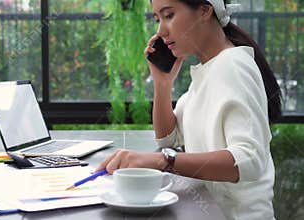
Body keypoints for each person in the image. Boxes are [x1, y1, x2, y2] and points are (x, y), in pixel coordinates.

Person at [96, 0, 281, 219]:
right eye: (157, 19)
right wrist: (162, 85)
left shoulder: (232, 66)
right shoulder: (207, 71)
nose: (161, 31)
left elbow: (250, 159)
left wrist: (164, 161)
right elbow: (168, 138)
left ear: (204, 11)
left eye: (169, 15)